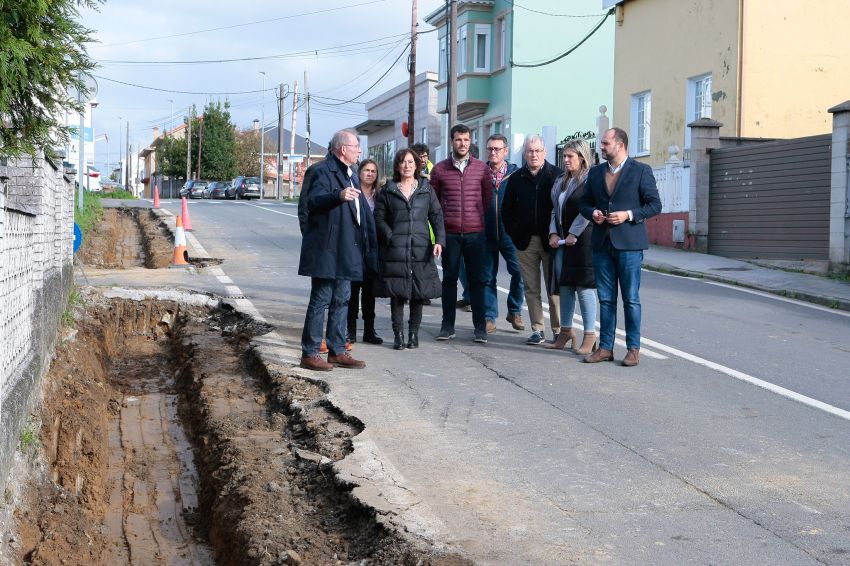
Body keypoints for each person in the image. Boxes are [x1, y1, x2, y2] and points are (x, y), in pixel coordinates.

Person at [579, 127, 662, 366]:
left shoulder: (640, 171)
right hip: (602, 244)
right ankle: (605, 347)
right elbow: (584, 202)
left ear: (620, 145)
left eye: (605, 143)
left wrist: (628, 214)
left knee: (631, 299)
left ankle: (633, 349)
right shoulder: (595, 173)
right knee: (605, 299)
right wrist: (592, 212)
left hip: (629, 245)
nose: (601, 147)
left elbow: (655, 205)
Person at [298, 129, 376, 371]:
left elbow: (361, 213)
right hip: (327, 249)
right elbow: (312, 202)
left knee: (343, 299)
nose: (359, 151)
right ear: (343, 149)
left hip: (347, 248)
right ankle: (310, 353)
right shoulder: (321, 171)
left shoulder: (351, 174)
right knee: (321, 300)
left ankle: (337, 350)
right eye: (356, 147)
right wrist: (338, 195)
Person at [374, 149, 445, 349]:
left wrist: (439, 240)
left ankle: (413, 334)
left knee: (418, 293)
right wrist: (390, 236)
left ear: (417, 165)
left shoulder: (426, 189)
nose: (407, 165)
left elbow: (437, 216)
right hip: (396, 249)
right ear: (397, 166)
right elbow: (378, 218)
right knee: (398, 293)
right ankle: (398, 335)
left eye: (410, 162)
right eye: (403, 162)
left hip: (421, 249)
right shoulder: (388, 190)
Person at [429, 124, 492, 343]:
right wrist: (439, 234)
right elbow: (434, 204)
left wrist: (476, 220)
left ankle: (480, 327)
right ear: (451, 141)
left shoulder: (482, 169)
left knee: (477, 281)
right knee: (449, 280)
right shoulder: (439, 170)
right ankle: (447, 326)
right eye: (458, 140)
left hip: (475, 234)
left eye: (466, 139)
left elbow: (486, 201)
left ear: (470, 141)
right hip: (450, 234)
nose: (462, 143)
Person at [502, 134, 563, 345]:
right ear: (525, 153)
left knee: (554, 287)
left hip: (551, 241)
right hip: (524, 242)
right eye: (530, 151)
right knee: (531, 287)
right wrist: (515, 233)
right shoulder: (517, 178)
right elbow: (506, 210)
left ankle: (558, 330)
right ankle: (538, 329)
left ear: (544, 152)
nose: (534, 154)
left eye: (537, 151)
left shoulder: (557, 175)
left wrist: (559, 234)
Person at [545, 139, 598, 353]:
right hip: (562, 242)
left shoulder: (590, 181)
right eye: (564, 156)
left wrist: (573, 233)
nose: (565, 160)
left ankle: (590, 335)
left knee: (583, 287)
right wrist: (553, 232)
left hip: (583, 241)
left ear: (582, 158)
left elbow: (588, 211)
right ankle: (565, 332)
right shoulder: (561, 181)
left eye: (570, 156)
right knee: (564, 286)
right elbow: (554, 210)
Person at [482, 134, 524, 333]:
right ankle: (489, 316)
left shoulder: (517, 175)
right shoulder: (480, 173)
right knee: (488, 276)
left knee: (519, 272)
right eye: (490, 148)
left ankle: (514, 310)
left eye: (497, 149)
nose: (493, 152)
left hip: (510, 234)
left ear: (505, 151)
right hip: (486, 233)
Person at [347, 159, 384, 345]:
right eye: (366, 170)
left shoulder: (380, 196)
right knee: (352, 292)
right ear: (359, 172)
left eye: (373, 171)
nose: (370, 174)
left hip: (373, 249)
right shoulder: (352, 192)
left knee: (370, 293)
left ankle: (369, 331)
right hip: (354, 248)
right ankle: (350, 331)